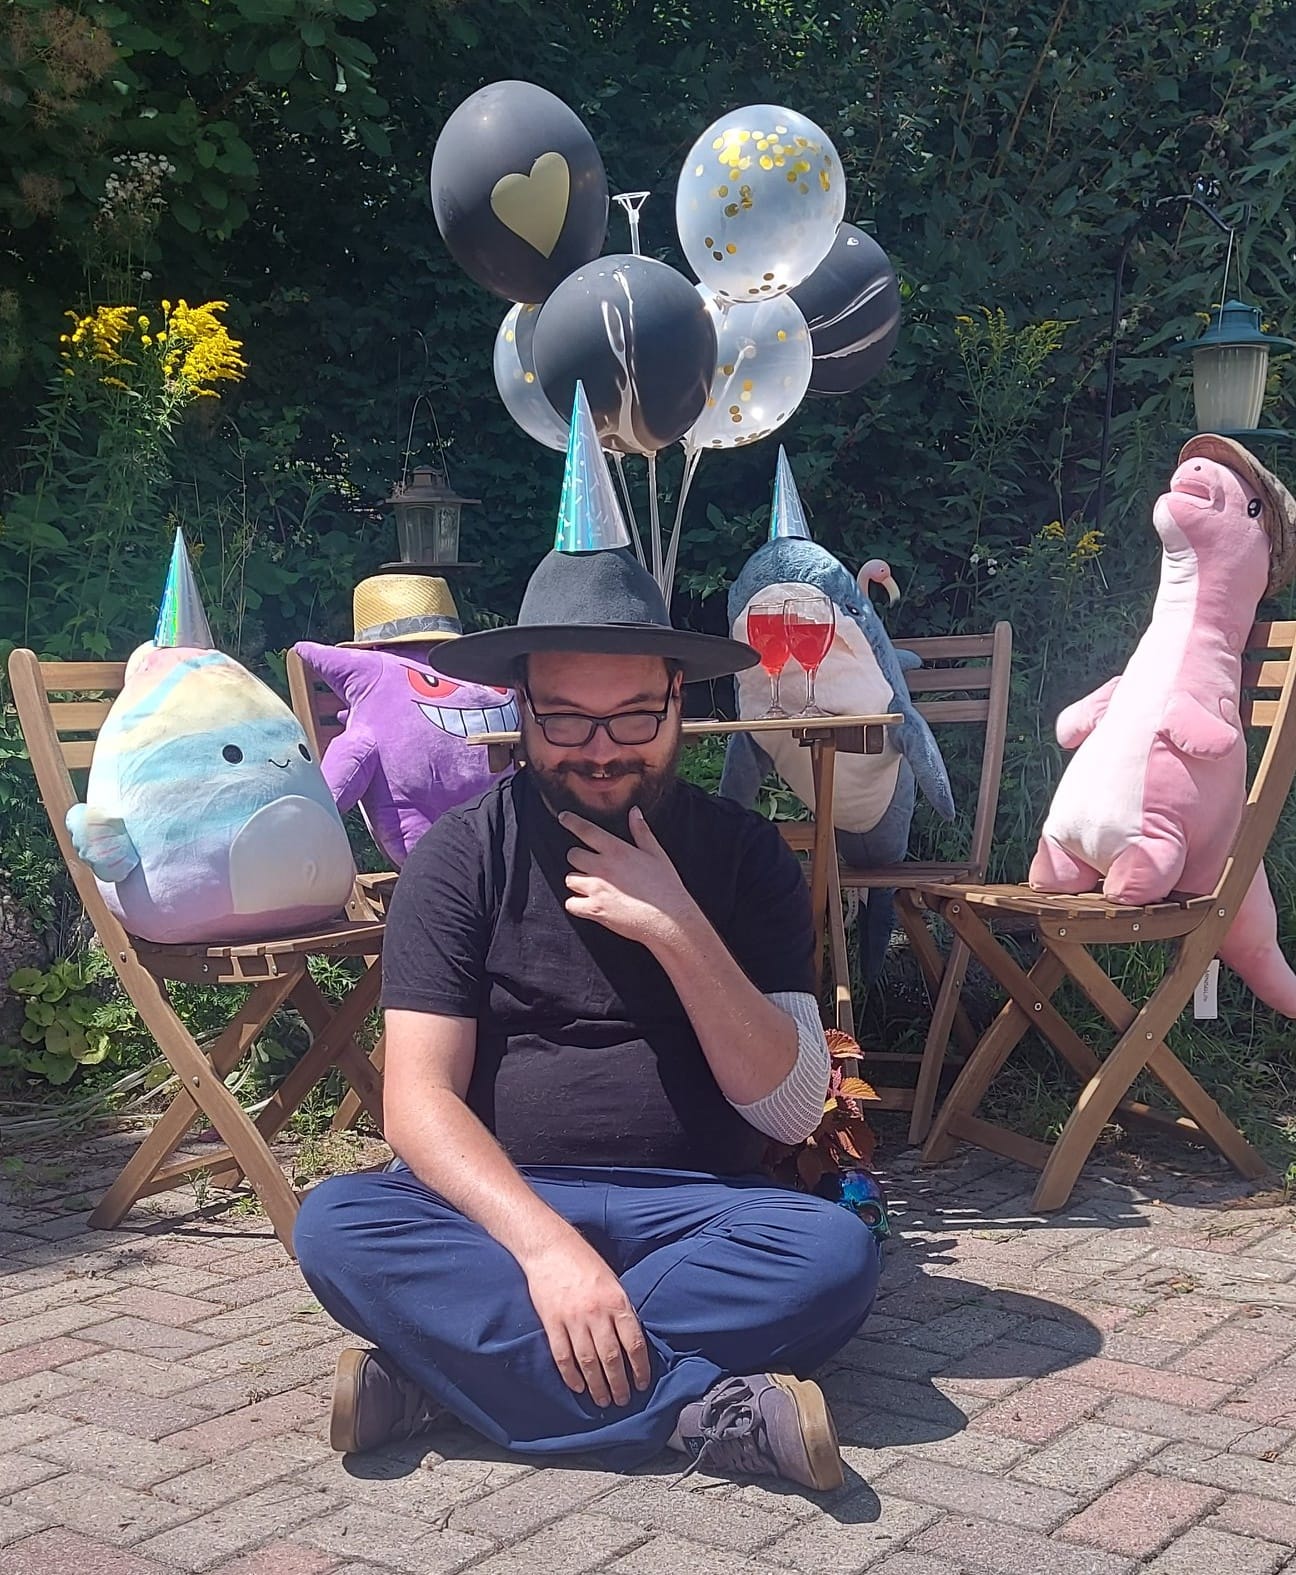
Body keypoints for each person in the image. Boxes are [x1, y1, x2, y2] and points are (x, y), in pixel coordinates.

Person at [293, 395, 881, 1493]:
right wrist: (548, 1251)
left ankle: (439, 1375)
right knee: (337, 1221)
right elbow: (418, 1102)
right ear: (521, 710)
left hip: (704, 1209)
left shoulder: (745, 857)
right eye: (566, 718)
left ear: (678, 702)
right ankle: (699, 1410)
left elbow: (794, 1111)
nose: (601, 750)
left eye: (633, 716)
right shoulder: (459, 859)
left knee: (833, 1255)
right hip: (503, 1202)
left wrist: (678, 929)